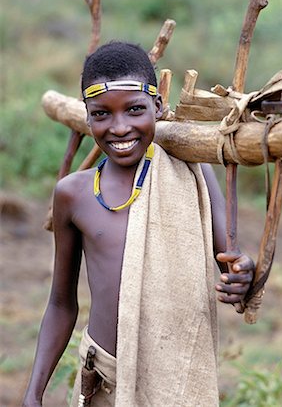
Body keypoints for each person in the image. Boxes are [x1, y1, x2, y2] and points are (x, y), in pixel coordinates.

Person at [22, 41, 254, 407]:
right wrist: (33, 393)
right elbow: (61, 303)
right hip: (103, 379)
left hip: (175, 379)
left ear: (157, 107)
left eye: (134, 110)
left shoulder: (192, 175)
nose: (120, 127)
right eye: (101, 114)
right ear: (87, 116)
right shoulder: (73, 194)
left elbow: (231, 257)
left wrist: (244, 274)